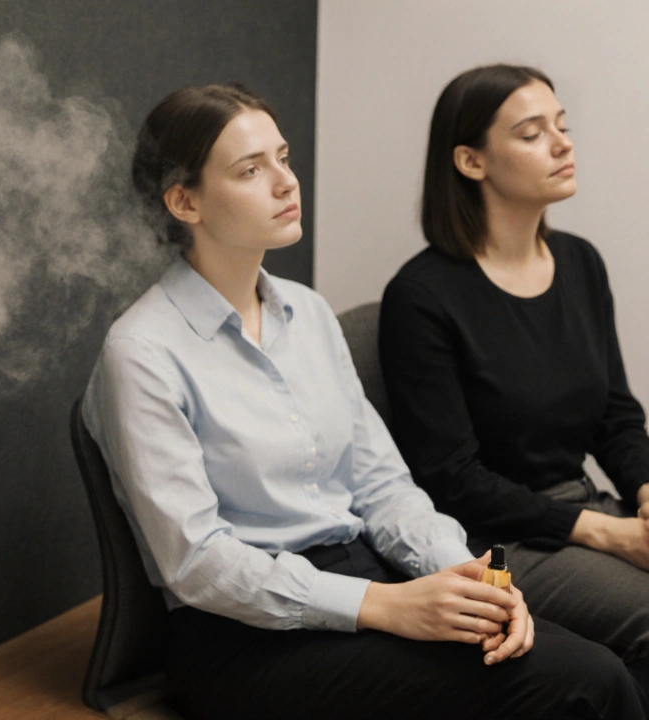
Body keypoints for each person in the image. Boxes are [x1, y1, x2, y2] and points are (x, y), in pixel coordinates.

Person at [83, 82, 645, 720]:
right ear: (185, 201)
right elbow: (199, 564)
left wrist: (470, 577)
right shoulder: (142, 351)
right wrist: (381, 606)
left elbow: (383, 487)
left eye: (284, 158)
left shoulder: (308, 312)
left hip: (368, 575)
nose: (286, 182)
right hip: (244, 635)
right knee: (584, 682)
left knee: (578, 660)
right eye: (250, 169)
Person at [379, 63, 649, 693]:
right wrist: (610, 534)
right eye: (532, 133)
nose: (562, 144)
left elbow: (615, 414)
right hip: (495, 542)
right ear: (471, 162)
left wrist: (644, 489)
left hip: (587, 511)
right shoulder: (422, 297)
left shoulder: (580, 262)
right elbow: (453, 477)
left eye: (562, 126)